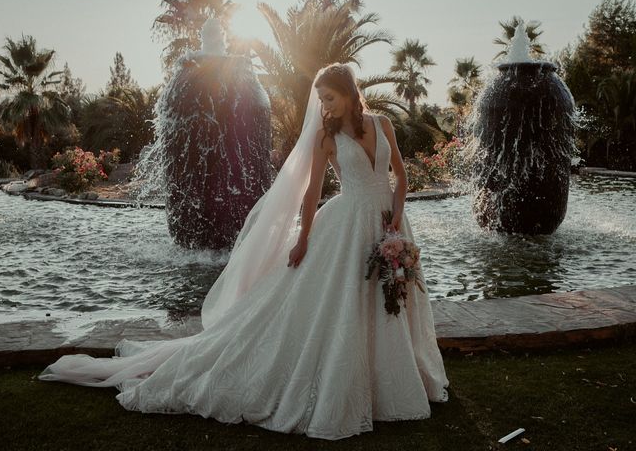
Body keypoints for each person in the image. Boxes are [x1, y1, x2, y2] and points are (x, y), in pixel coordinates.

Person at [38, 63, 450, 441]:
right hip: (346, 226)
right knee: (347, 302)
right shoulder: (327, 137)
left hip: (387, 222)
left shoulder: (382, 124)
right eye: (321, 99)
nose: (324, 105)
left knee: (387, 299)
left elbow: (400, 176)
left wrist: (396, 217)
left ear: (348, 92)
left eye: (330, 97)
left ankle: (389, 384)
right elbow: (311, 193)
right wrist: (304, 237)